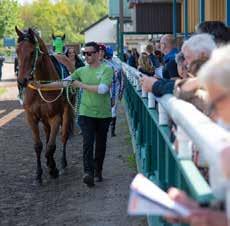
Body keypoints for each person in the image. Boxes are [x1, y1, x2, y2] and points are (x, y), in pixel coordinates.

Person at [34, 42, 113, 187]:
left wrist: (80, 85)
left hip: (103, 114)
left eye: (89, 53)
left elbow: (102, 89)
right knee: (87, 143)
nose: (86, 56)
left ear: (97, 54)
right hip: (86, 113)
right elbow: (64, 83)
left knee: (100, 145)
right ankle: (88, 173)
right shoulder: (81, 71)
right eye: (85, 54)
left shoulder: (107, 70)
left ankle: (98, 171)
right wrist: (42, 86)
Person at [105, 46, 125, 137]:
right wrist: (121, 92)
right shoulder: (117, 65)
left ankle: (109, 129)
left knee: (108, 110)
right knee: (113, 110)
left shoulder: (102, 65)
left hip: (108, 91)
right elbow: (122, 81)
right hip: (114, 91)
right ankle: (112, 131)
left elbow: (121, 80)